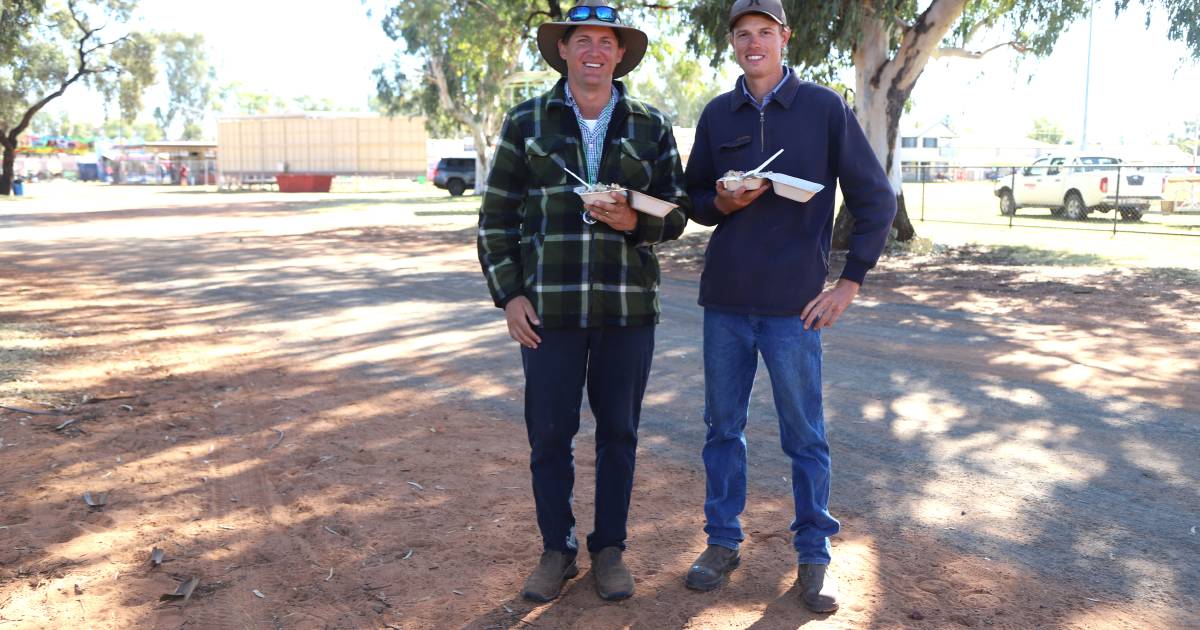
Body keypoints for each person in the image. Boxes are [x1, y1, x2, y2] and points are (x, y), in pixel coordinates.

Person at [681, 0, 897, 614]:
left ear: (785, 38)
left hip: (794, 310)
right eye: (743, 35)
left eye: (765, 33)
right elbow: (695, 199)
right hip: (724, 303)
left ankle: (814, 560)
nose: (754, 44)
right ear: (733, 44)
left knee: (806, 437)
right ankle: (721, 544)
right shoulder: (717, 114)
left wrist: (847, 284)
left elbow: (875, 201)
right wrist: (724, 203)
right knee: (722, 431)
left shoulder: (824, 109)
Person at [477, 0, 689, 603]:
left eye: (606, 41)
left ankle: (610, 549)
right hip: (550, 312)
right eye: (583, 41)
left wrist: (633, 222)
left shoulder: (650, 125)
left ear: (620, 54)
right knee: (549, 434)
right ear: (563, 50)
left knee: (619, 433)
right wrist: (510, 295)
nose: (595, 51)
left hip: (627, 312)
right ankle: (556, 549)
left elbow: (675, 213)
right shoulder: (526, 122)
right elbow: (495, 217)